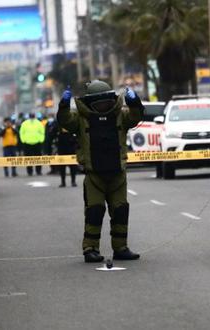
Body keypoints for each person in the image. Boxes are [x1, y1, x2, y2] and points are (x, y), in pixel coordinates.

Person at [57, 80, 144, 263]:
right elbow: (64, 120)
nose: (103, 105)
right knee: (94, 211)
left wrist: (135, 102)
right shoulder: (81, 119)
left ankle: (121, 248)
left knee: (120, 210)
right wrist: (63, 105)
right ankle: (90, 249)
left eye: (106, 101)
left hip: (117, 174)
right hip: (94, 175)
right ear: (89, 103)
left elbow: (136, 117)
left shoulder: (120, 116)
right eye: (98, 102)